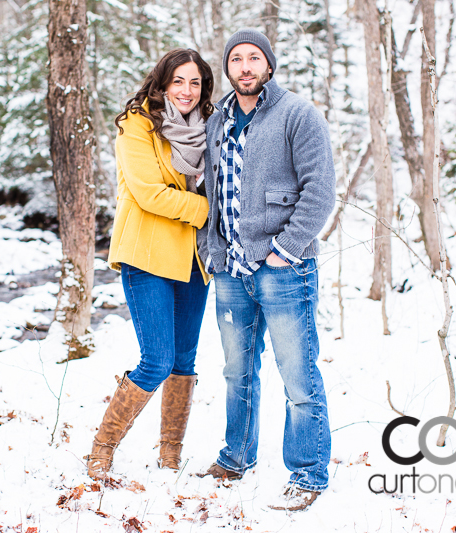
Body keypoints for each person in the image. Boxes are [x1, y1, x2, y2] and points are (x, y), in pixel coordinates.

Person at [197, 29, 335, 511]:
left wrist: (285, 250)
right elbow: (207, 193)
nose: (245, 66)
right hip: (231, 270)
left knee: (297, 375)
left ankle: (308, 472)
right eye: (236, 59)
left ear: (269, 66)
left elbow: (320, 192)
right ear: (229, 69)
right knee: (237, 372)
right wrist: (211, 251)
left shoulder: (297, 114)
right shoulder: (216, 123)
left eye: (254, 57)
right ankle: (235, 457)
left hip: (283, 270)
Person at [85, 49, 215, 480]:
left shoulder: (208, 129)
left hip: (194, 258)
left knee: (184, 360)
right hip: (147, 254)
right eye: (179, 81)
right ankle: (102, 449)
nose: (187, 90)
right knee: (157, 358)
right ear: (161, 83)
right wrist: (208, 209)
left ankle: (170, 455)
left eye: (195, 82)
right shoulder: (137, 126)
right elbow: (149, 193)